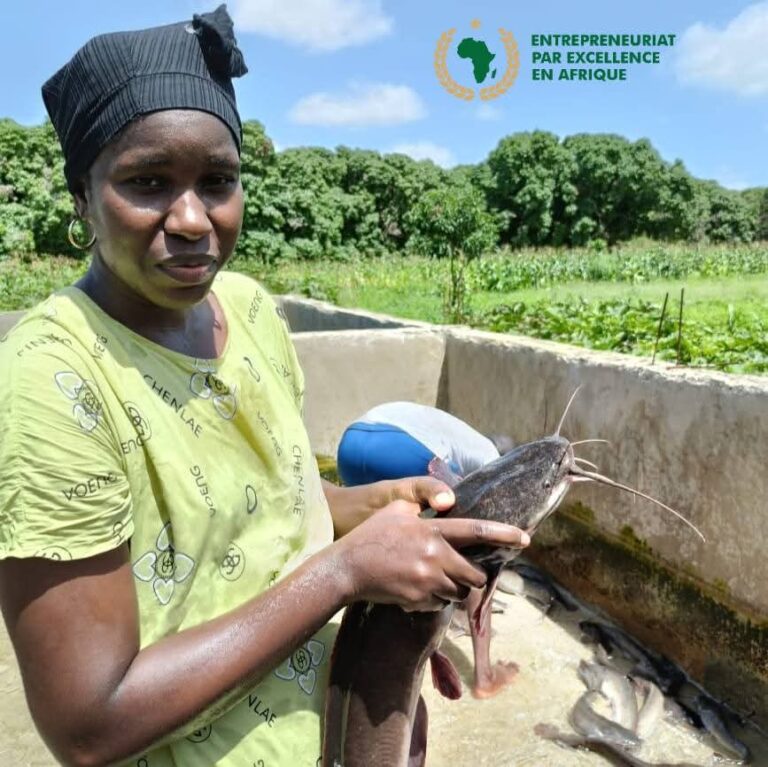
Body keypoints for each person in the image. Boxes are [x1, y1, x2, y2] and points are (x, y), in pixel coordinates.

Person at [0, 7, 529, 766]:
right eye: (147, 182)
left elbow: (267, 511)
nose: (192, 218)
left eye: (218, 180)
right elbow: (89, 724)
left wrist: (371, 513)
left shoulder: (248, 311)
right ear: (82, 196)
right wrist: (346, 571)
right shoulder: (53, 381)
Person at [337, 402, 519, 698]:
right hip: (398, 447)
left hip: (351, 446)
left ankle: (359, 658)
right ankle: (485, 676)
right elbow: (480, 546)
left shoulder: (457, 435)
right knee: (474, 549)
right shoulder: (490, 458)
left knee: (381, 546)